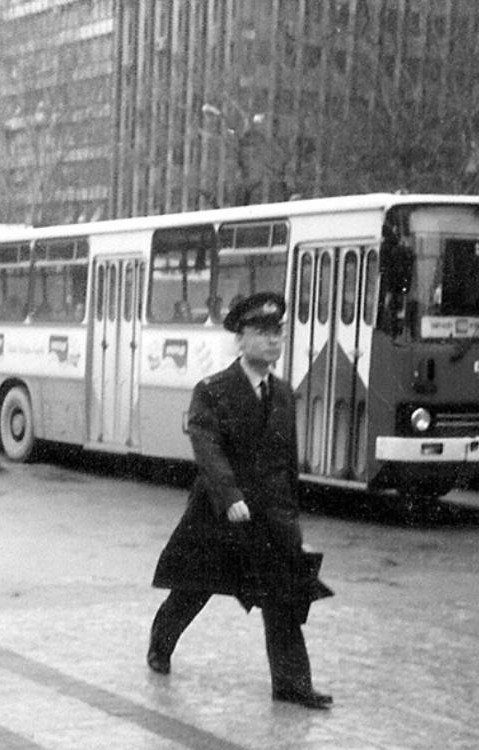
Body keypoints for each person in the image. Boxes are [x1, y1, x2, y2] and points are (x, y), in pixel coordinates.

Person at [147, 292, 334, 709]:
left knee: (283, 599)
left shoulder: (284, 394)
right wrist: (230, 496)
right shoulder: (213, 390)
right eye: (263, 333)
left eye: (278, 333)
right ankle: (160, 645)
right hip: (219, 516)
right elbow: (207, 448)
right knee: (192, 590)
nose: (273, 341)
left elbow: (286, 467)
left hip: (268, 520)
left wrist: (294, 529)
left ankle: (292, 685)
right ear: (241, 339)